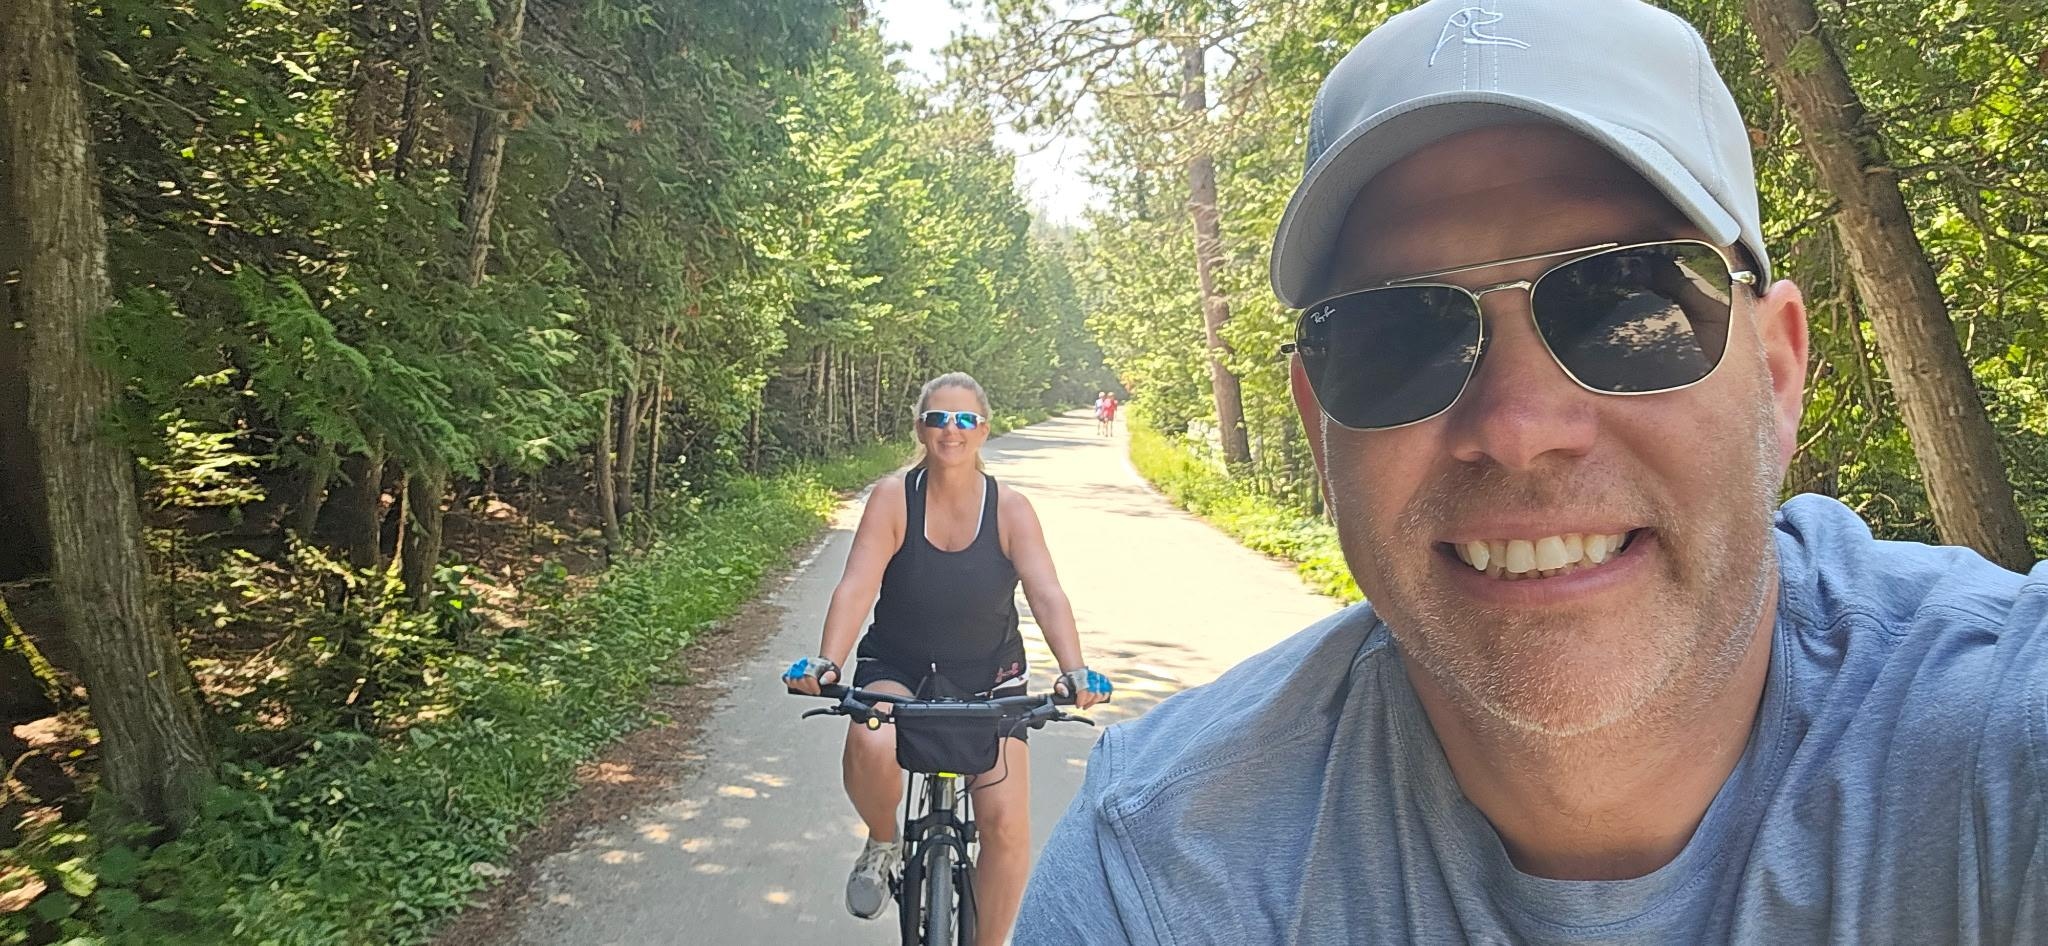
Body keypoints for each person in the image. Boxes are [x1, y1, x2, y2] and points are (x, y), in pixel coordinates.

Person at [1017, 1, 2046, 943]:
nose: (1515, 427)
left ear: (1775, 371)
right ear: (1318, 422)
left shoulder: (2007, 749)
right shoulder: (1160, 872)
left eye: (1623, 305)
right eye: (1396, 337)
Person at [783, 372, 1110, 943]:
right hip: (900, 665)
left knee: (1006, 828)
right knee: (869, 735)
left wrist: (1073, 669)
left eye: (963, 419)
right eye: (938, 418)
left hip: (991, 675)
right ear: (920, 428)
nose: (950, 431)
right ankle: (882, 842)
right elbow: (857, 584)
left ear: (983, 429)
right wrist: (825, 661)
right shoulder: (893, 498)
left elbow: (1046, 591)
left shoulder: (1010, 508)